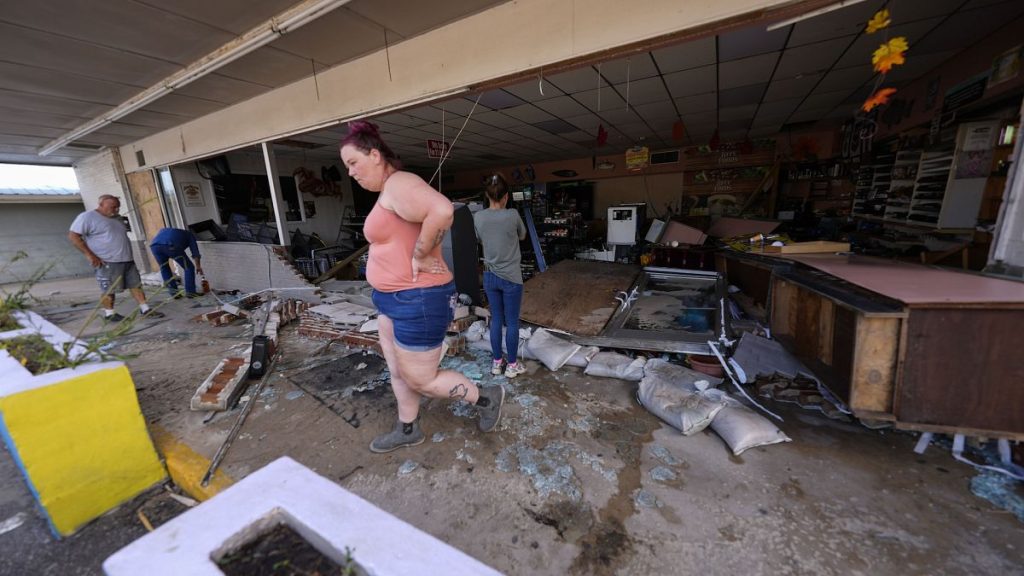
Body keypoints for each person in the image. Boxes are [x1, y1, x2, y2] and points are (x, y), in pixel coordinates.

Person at [340, 120, 505, 453]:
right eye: (347, 167)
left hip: (418, 300)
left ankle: (486, 397)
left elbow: (443, 210)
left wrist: (421, 253)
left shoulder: (399, 183)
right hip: (391, 298)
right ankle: (408, 429)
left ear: (375, 155)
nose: (350, 173)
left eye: (353, 163)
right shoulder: (389, 192)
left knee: (421, 379)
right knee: (397, 370)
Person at [68, 194, 164, 322]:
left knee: (136, 285)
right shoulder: (87, 217)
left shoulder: (117, 218)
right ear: (101, 205)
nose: (116, 210)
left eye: (118, 207)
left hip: (127, 259)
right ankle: (109, 314)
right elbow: (73, 236)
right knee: (109, 288)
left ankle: (145, 309)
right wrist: (90, 255)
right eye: (113, 207)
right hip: (107, 260)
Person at [472, 174, 528, 378]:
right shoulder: (512, 215)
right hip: (512, 277)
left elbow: (478, 239)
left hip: (489, 276)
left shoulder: (478, 217)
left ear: (488, 196)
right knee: (512, 322)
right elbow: (522, 235)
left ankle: (497, 363)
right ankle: (512, 365)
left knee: (496, 319)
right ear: (506, 197)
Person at [149, 227, 204, 298]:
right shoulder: (190, 235)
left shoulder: (169, 230)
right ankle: (190, 292)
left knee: (164, 268)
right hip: (171, 245)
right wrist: (198, 266)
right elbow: (195, 253)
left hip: (155, 246)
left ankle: (174, 293)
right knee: (189, 267)